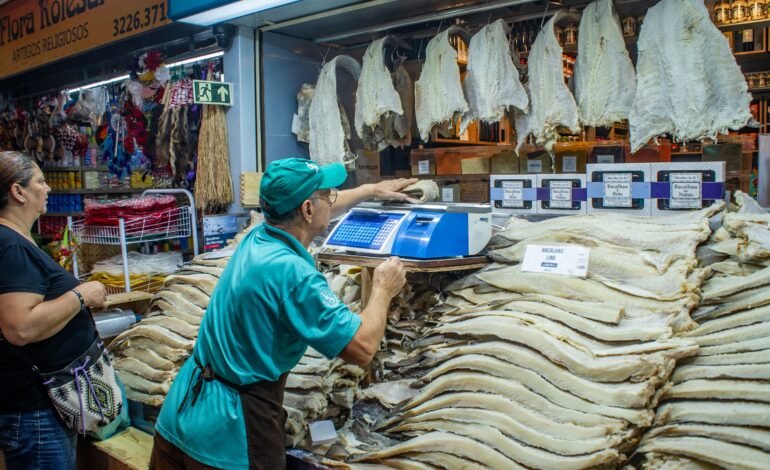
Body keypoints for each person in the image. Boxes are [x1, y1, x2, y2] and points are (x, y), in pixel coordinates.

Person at [150, 158, 416, 469]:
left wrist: (371, 190)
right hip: (230, 437)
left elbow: (318, 206)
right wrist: (384, 289)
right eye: (328, 194)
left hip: (181, 418)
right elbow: (362, 347)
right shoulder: (292, 273)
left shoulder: (257, 238)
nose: (333, 198)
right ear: (307, 210)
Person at [0, 151, 107, 470]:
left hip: (36, 408)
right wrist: (83, 295)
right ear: (17, 192)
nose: (48, 189)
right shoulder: (10, 245)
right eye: (40, 181)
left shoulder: (16, 240)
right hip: (35, 412)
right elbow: (21, 327)